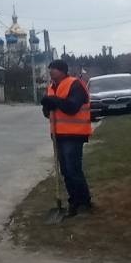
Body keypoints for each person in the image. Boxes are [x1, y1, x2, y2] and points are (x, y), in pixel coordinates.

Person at [40, 58, 93, 218]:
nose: (50, 72)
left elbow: (72, 107)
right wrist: (47, 106)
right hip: (59, 134)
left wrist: (53, 101)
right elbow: (48, 112)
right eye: (50, 69)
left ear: (62, 71)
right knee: (65, 170)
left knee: (73, 169)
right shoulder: (51, 87)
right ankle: (74, 201)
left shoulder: (75, 85)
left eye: (53, 69)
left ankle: (84, 202)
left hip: (74, 134)